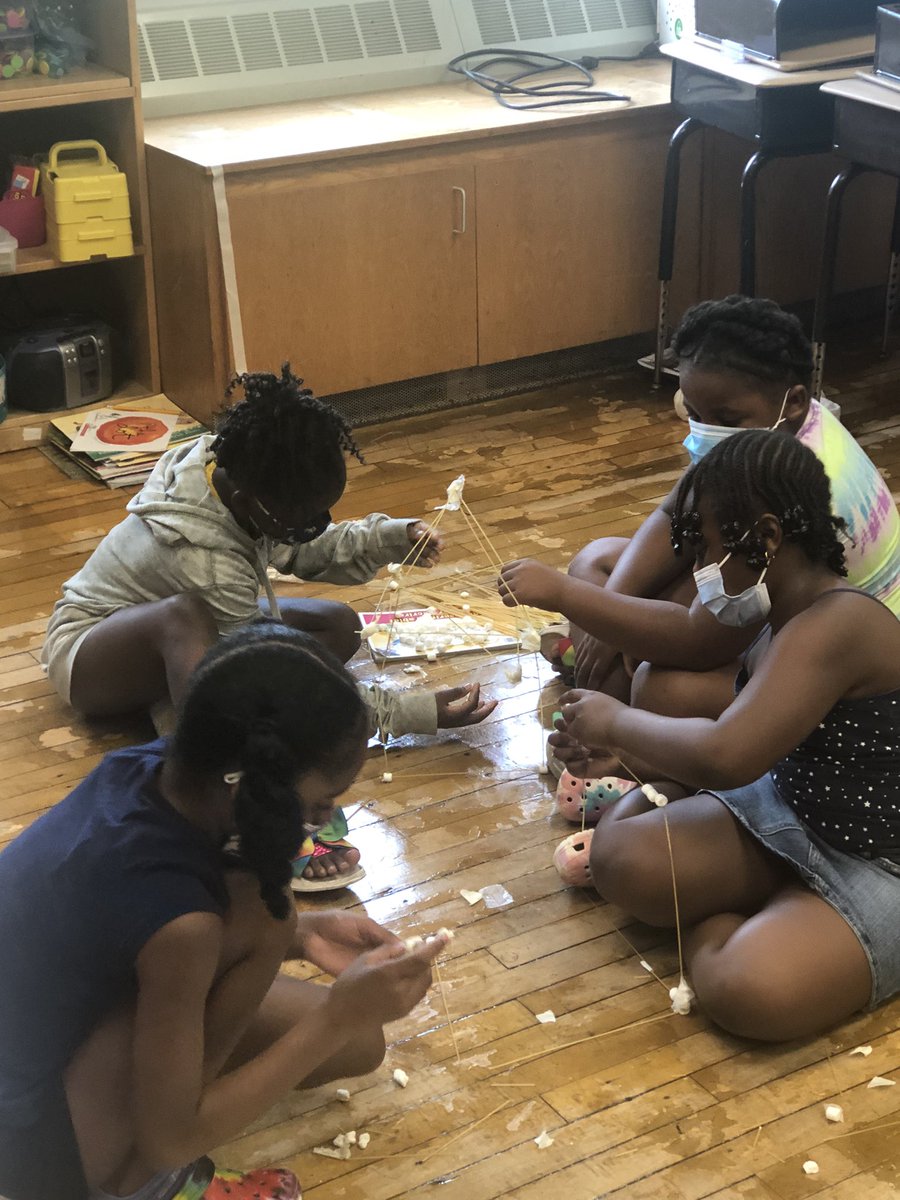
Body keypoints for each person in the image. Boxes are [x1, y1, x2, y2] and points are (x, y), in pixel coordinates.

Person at [0, 624, 451, 1200]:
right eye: (317, 805)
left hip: (52, 1032)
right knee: (283, 951)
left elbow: (112, 927)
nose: (319, 822)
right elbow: (169, 1137)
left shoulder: (159, 767)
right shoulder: (185, 928)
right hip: (24, 1141)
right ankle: (145, 1186)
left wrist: (308, 933)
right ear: (247, 785)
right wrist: (332, 1013)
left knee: (360, 1044)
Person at [42, 365, 495, 889]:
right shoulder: (205, 556)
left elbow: (305, 548)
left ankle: (173, 696)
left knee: (340, 627)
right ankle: (231, 790)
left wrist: (394, 538)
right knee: (186, 623)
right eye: (304, 514)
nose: (316, 521)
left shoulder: (239, 473)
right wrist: (411, 710)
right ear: (255, 501)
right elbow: (259, 684)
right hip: (86, 654)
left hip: (170, 625)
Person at [548, 430, 900, 1042]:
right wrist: (621, 744)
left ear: (766, 538)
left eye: (707, 550)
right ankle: (773, 903)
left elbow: (728, 753)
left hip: (877, 861)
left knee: (747, 991)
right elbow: (733, 728)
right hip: (790, 802)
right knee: (620, 859)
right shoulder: (773, 605)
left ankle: (772, 921)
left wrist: (616, 722)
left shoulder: (839, 622)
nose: (700, 570)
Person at [500, 295, 900, 796]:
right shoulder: (781, 421)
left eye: (725, 416)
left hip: (833, 666)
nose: (707, 428)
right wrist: (610, 626)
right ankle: (603, 685)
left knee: (659, 685)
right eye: (694, 412)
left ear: (792, 402)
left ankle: (632, 754)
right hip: (762, 597)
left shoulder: (804, 484)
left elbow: (700, 638)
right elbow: (677, 512)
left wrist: (572, 602)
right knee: (597, 563)